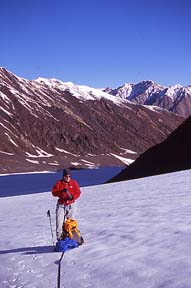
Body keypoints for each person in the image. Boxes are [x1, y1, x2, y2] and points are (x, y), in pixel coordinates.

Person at [52, 168, 81, 240]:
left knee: (71, 223)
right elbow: (53, 192)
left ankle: (74, 239)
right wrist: (61, 193)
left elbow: (78, 192)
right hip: (61, 204)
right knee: (59, 222)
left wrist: (73, 197)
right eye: (66, 176)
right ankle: (60, 240)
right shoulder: (59, 183)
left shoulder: (74, 183)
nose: (68, 178)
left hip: (71, 205)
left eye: (69, 176)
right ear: (63, 176)